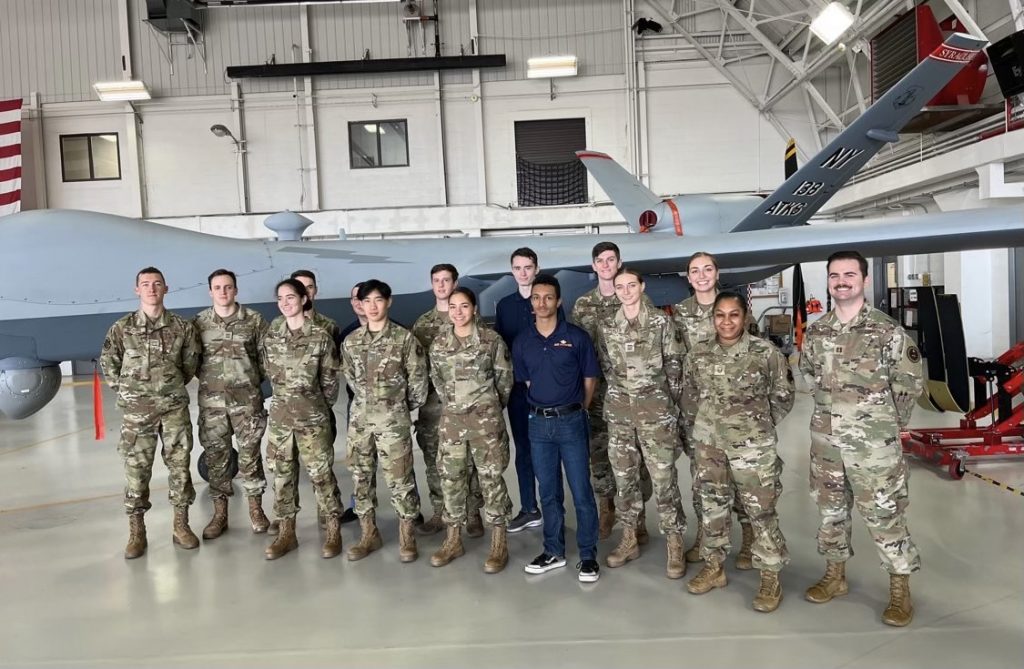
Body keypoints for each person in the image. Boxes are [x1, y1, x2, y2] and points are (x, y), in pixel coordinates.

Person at [799, 250, 923, 627]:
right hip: (827, 446)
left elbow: (908, 386)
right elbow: (808, 377)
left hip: (873, 448)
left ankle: (900, 586)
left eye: (849, 274)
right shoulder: (817, 332)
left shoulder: (888, 332)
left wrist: (880, 429)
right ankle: (835, 575)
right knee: (831, 514)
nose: (841, 281)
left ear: (865, 281)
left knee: (885, 516)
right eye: (835, 275)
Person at [682, 292, 794, 612]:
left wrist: (757, 426)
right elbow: (689, 395)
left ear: (745, 318)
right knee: (712, 507)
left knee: (760, 511)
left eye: (733, 315)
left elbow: (783, 395)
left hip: (752, 446)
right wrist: (703, 427)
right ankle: (714, 567)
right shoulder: (699, 354)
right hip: (710, 445)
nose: (726, 321)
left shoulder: (764, 353)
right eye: (720, 315)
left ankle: (770, 574)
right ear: (712, 317)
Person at [99, 266, 202, 559]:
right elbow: (109, 364)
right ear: (137, 290)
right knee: (136, 472)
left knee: (180, 467)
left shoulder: (182, 327)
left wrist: (166, 387)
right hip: (137, 414)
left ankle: (181, 527)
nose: (152, 289)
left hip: (172, 410)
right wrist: (131, 393)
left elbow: (189, 365)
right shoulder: (122, 328)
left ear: (166, 289)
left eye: (157, 284)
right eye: (145, 284)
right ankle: (137, 532)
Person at [597, 268, 688, 580]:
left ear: (642, 287)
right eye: (619, 286)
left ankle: (674, 541)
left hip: (656, 414)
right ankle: (630, 537)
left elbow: (675, 368)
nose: (625, 291)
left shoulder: (662, 323)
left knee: (664, 481)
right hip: (621, 415)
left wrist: (668, 407)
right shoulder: (608, 325)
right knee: (625, 480)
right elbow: (607, 367)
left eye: (631, 285)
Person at [671, 251, 760, 567]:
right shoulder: (680, 314)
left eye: (707, 269)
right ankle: (707, 539)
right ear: (688, 276)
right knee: (703, 482)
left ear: (717, 272)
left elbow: (759, 360)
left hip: (739, 416)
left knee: (742, 480)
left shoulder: (734, 307)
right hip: (700, 415)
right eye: (695, 270)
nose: (702, 275)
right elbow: (677, 363)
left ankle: (749, 541)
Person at [513, 275, 601, 583]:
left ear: (558, 301)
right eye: (536, 298)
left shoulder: (576, 337)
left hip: (571, 422)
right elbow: (527, 382)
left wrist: (579, 408)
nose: (542, 303)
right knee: (548, 493)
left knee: (581, 492)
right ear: (531, 302)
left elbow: (590, 378)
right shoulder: (523, 341)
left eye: (548, 297)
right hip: (538, 425)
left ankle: (589, 556)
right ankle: (553, 551)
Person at [571, 242, 653, 541]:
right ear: (593, 266)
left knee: (637, 457)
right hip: (596, 394)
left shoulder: (634, 298)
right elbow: (578, 353)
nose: (605, 265)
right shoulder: (583, 305)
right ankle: (607, 510)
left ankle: (638, 516)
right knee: (599, 455)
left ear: (619, 262)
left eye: (610, 260)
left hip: (631, 394)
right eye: (600, 261)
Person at [429, 287, 515, 573]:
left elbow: (504, 381)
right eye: (453, 306)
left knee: (491, 480)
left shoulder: (491, 341)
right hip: (452, 423)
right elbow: (439, 383)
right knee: (451, 480)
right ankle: (453, 539)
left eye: (464, 306)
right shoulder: (439, 343)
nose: (458, 312)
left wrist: (487, 407)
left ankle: (498, 542)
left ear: (474, 309)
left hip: (485, 424)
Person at [342, 279, 429, 563]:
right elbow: (353, 380)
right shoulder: (352, 342)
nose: (372, 306)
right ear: (361, 305)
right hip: (360, 423)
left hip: (393, 423)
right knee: (361, 478)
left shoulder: (404, 340)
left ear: (388, 302)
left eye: (378, 300)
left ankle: (407, 536)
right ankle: (369, 534)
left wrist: (397, 409)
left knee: (400, 480)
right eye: (367, 301)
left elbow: (418, 384)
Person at [260, 279, 344, 560]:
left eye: (291, 297)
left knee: (321, 475)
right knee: (282, 477)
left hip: (312, 419)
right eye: (280, 298)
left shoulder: (320, 337)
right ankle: (287, 533)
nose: (285, 302)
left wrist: (314, 407)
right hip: (282, 419)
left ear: (304, 299)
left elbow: (330, 384)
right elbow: (269, 375)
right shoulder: (271, 337)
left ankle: (333, 529)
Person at [192, 269, 271, 539]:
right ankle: (220, 514)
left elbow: (266, 360)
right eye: (217, 287)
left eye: (228, 287)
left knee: (250, 457)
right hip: (212, 405)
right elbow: (192, 362)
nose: (223, 292)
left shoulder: (254, 320)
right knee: (217, 459)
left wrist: (245, 381)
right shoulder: (199, 323)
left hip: (247, 404)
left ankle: (256, 510)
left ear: (235, 290)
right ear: (210, 291)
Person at [495, 247, 564, 533]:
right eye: (518, 268)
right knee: (523, 448)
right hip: (519, 392)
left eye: (528, 267)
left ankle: (553, 507)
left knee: (551, 450)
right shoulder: (505, 305)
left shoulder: (548, 302)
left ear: (536, 268)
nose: (523, 273)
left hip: (549, 389)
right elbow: (500, 348)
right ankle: (529, 508)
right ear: (512, 271)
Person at [412, 264, 483, 537]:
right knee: (435, 462)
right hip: (434, 408)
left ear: (455, 283)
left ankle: (473, 511)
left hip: (468, 408)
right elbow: (418, 369)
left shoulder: (472, 322)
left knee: (471, 461)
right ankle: (440, 512)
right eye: (436, 281)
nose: (441, 285)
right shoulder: (422, 324)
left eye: (446, 280)